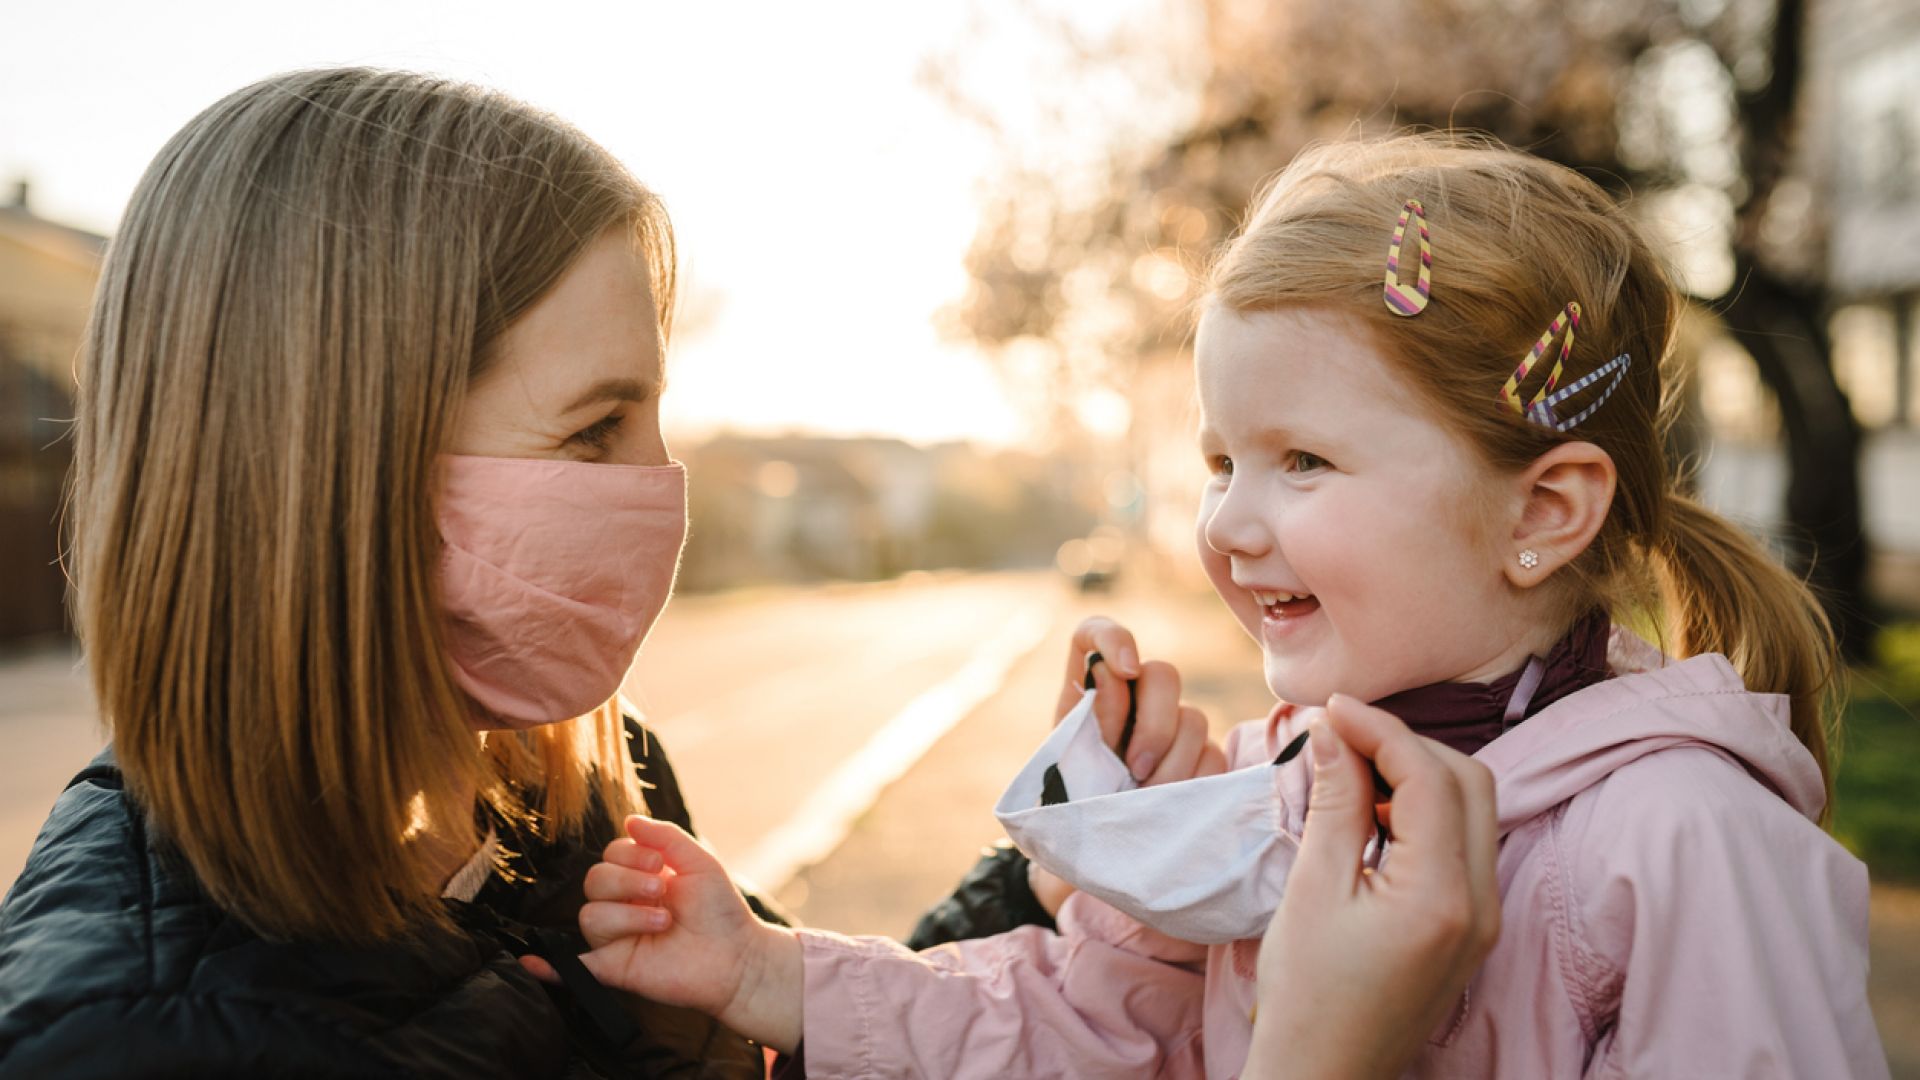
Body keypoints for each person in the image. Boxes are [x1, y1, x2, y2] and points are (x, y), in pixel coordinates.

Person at [0, 69, 1499, 1078]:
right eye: (596, 430)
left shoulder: (562, 789)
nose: (662, 491)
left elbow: (788, 1039)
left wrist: (1045, 882)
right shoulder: (127, 1040)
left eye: (660, 416)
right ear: (335, 462)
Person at [567, 133, 1891, 1078]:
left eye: (1303, 462)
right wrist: (767, 976)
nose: (1227, 524)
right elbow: (1081, 1032)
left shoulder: (1686, 843)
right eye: (1219, 461)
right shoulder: (1279, 777)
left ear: (1543, 513)